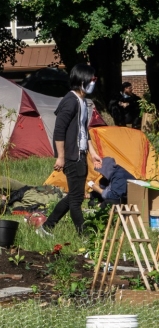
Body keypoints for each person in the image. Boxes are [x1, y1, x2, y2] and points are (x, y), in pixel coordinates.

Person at [39, 63, 101, 236]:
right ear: (82, 80)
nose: (93, 82)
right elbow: (59, 130)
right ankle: (84, 235)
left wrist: (93, 152)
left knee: (75, 196)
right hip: (71, 157)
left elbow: (83, 130)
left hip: (81, 155)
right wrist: (61, 157)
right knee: (75, 200)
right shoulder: (70, 101)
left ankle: (47, 227)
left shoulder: (82, 102)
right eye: (92, 79)